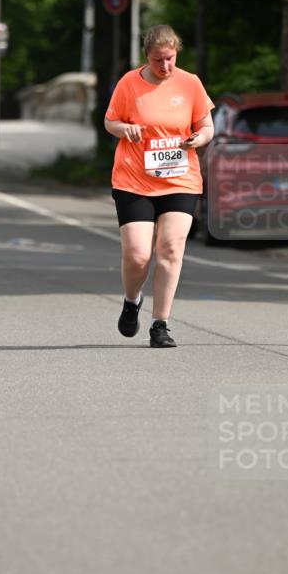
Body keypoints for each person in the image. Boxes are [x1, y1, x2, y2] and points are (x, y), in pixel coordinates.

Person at [104, 24, 214, 348]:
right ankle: (132, 300)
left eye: (170, 58)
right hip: (134, 180)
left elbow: (207, 125)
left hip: (180, 179)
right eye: (157, 60)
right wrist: (124, 129)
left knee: (170, 249)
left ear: (176, 53)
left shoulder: (190, 83)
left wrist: (199, 138)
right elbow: (110, 121)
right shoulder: (129, 83)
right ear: (146, 57)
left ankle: (160, 324)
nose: (165, 66)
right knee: (138, 255)